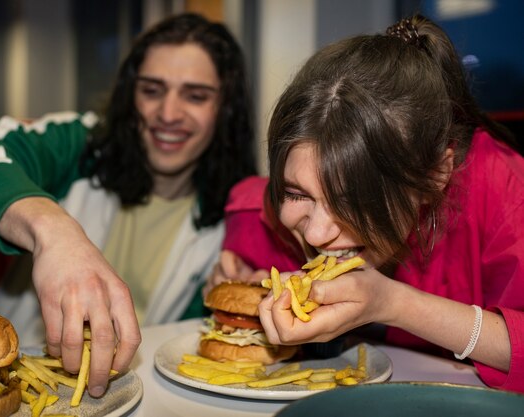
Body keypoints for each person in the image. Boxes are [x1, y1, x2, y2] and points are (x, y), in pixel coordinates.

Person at [0, 13, 257, 397]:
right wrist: (55, 232)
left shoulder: (237, 210)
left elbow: (188, 344)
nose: (168, 114)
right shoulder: (80, 143)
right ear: (129, 94)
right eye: (151, 90)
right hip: (10, 388)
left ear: (226, 110)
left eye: (196, 96)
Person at [208, 15, 524, 392]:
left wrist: (395, 304)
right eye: (297, 193)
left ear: (437, 174)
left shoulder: (505, 190)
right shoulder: (263, 218)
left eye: (354, 200)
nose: (317, 233)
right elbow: (247, 215)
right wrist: (237, 285)